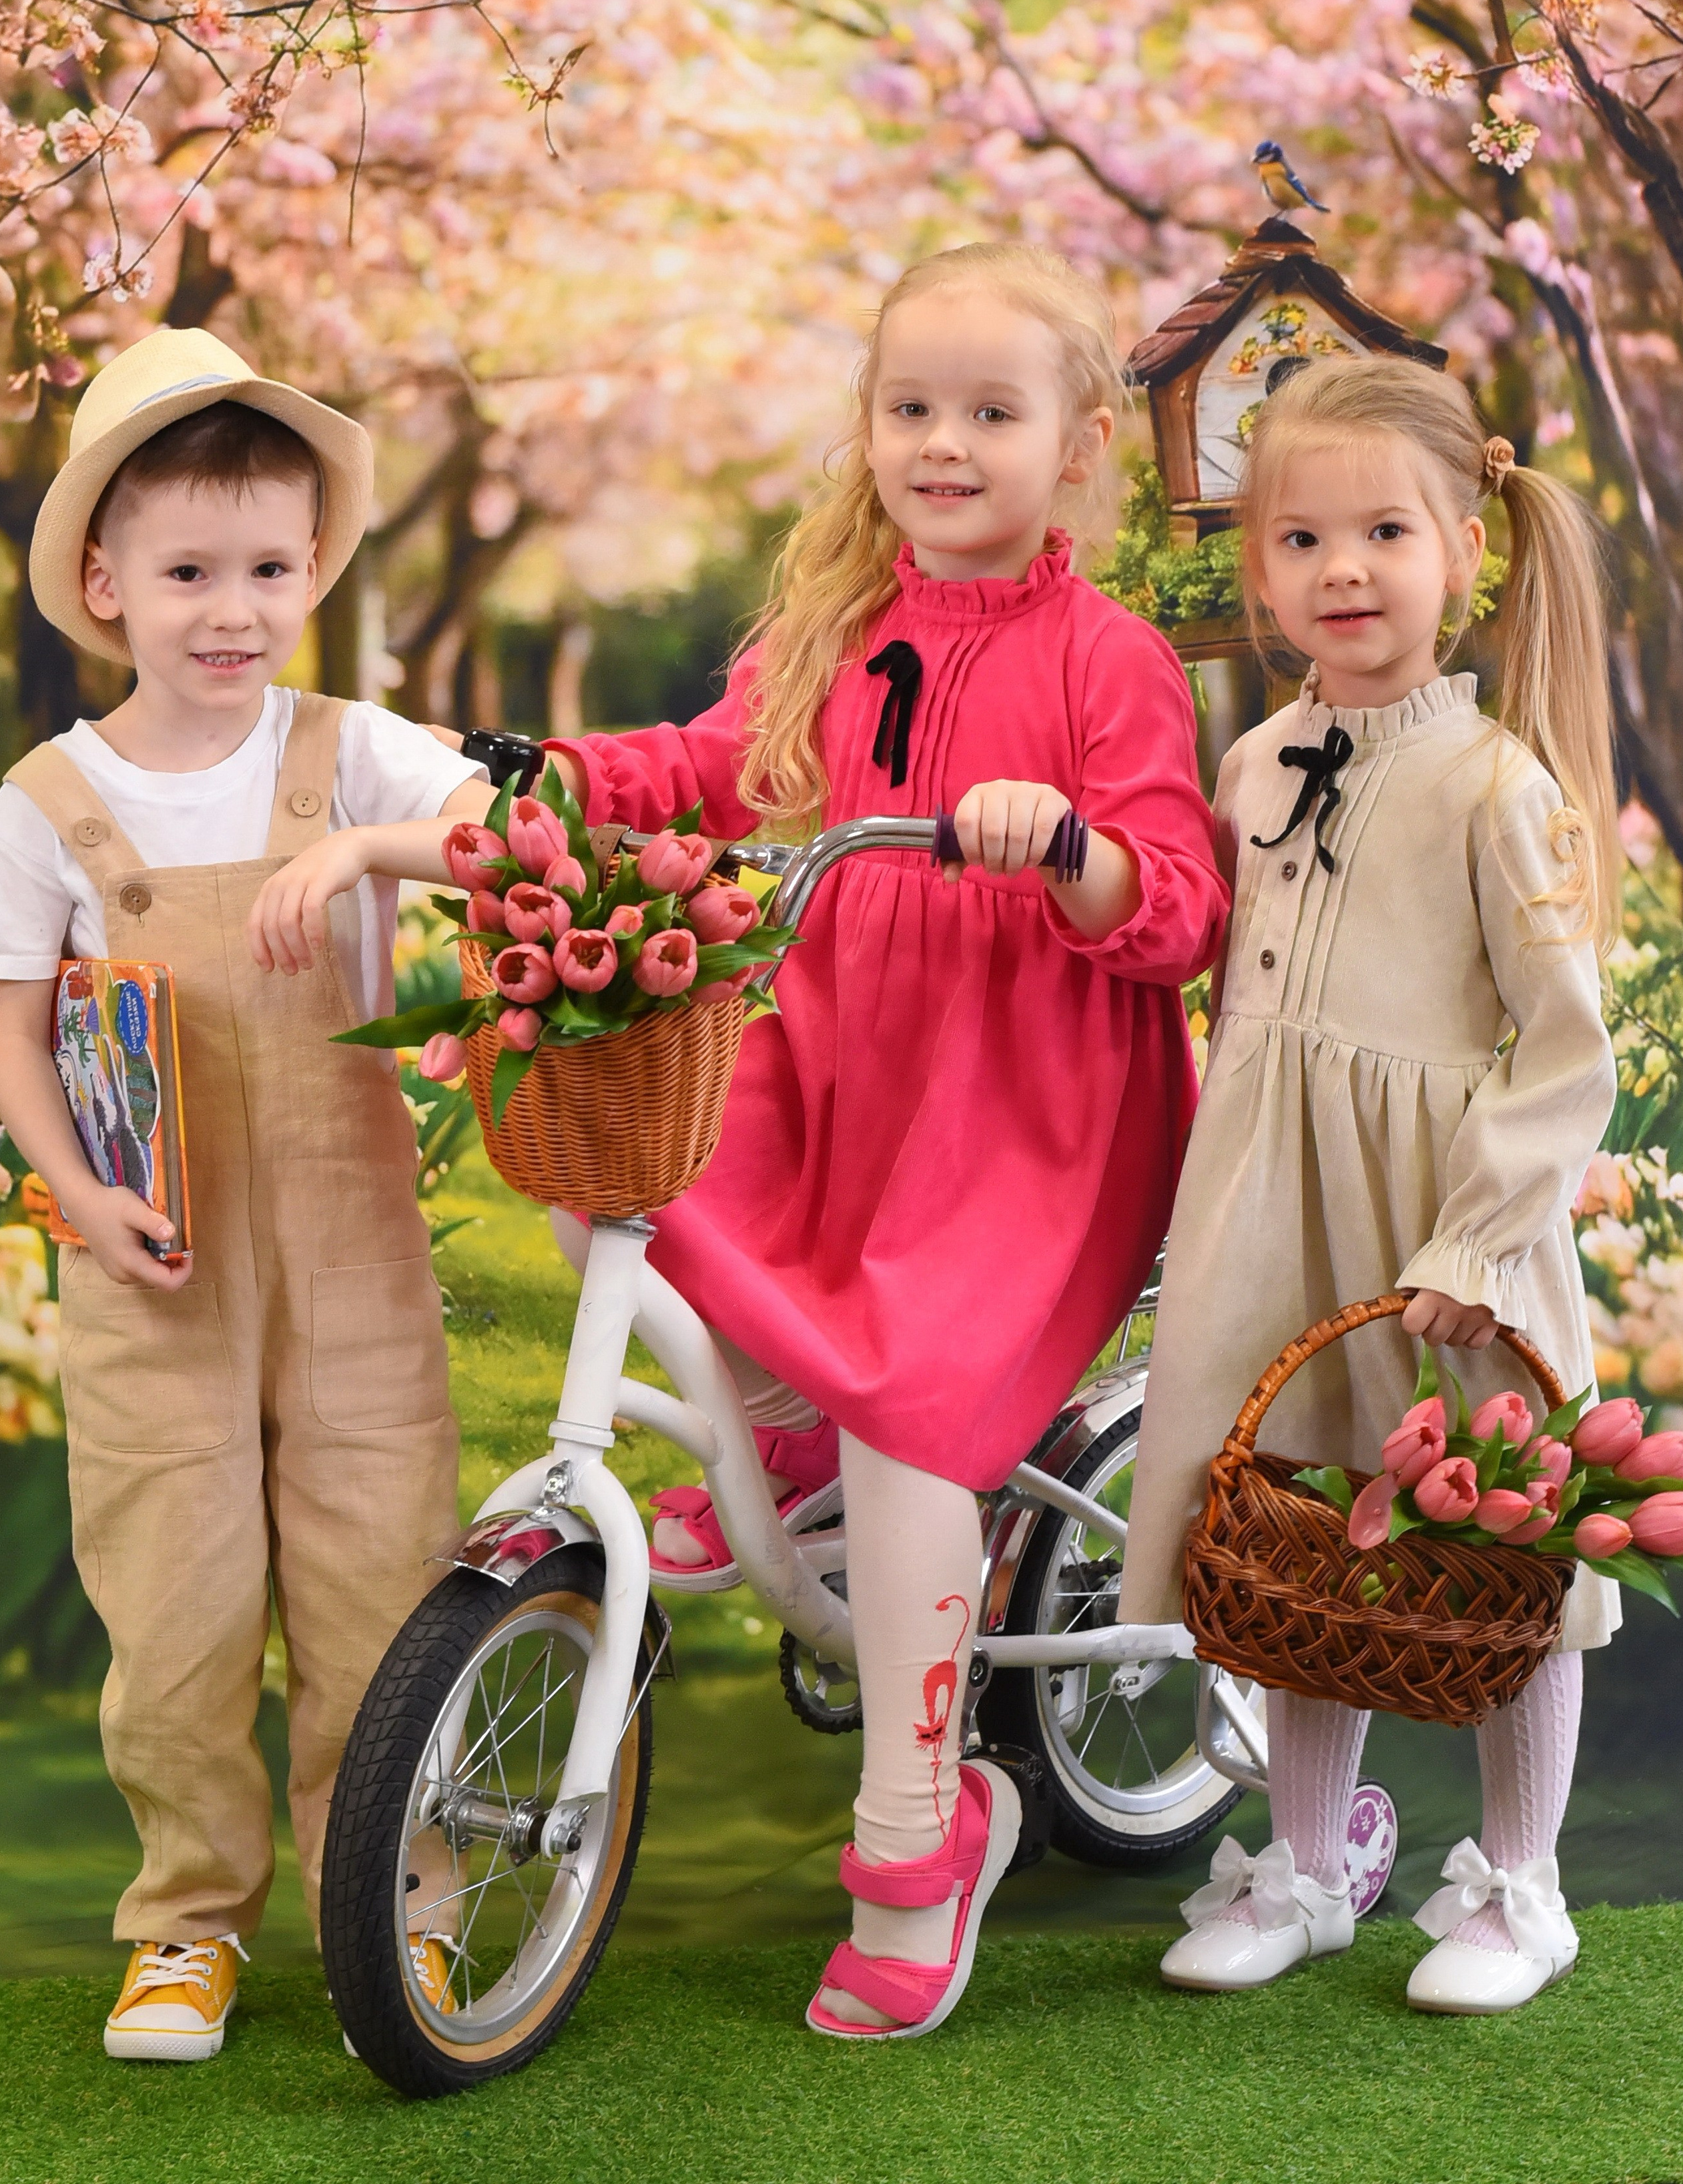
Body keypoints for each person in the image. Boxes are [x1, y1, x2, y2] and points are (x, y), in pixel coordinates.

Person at [515, 240, 1227, 2036]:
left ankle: (922, 1828)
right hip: (847, 1062)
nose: (945, 442)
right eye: (912, 406)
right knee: (637, 1186)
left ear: (1077, 446)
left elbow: (1177, 895)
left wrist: (1064, 842)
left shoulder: (1107, 655)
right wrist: (540, 777)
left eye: (993, 411)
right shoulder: (835, 629)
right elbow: (706, 758)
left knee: (915, 1399)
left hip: (1030, 1107)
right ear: (870, 426)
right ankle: (791, 1441)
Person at [0, 328, 498, 2061]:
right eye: (190, 569)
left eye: (271, 567)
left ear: (313, 568)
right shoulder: (50, 804)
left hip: (352, 1265)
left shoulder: (345, 750)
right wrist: (69, 1186)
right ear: (102, 577)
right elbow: (13, 1035)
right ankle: (181, 1922)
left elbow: (508, 834)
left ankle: (392, 1901)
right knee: (178, 1594)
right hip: (152, 1264)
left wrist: (367, 845)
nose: (233, 608)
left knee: (378, 1581)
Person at [1117, 353, 1620, 2015]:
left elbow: (1564, 1045)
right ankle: (1314, 1861)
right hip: (1282, 1220)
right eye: (1303, 539)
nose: (1343, 569)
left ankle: (1522, 1886)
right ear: (1258, 570)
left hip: (1438, 1230)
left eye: (1384, 531)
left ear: (1462, 550)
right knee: (1298, 1542)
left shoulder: (1497, 788)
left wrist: (1475, 1238)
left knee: (1507, 1554)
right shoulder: (1256, 761)